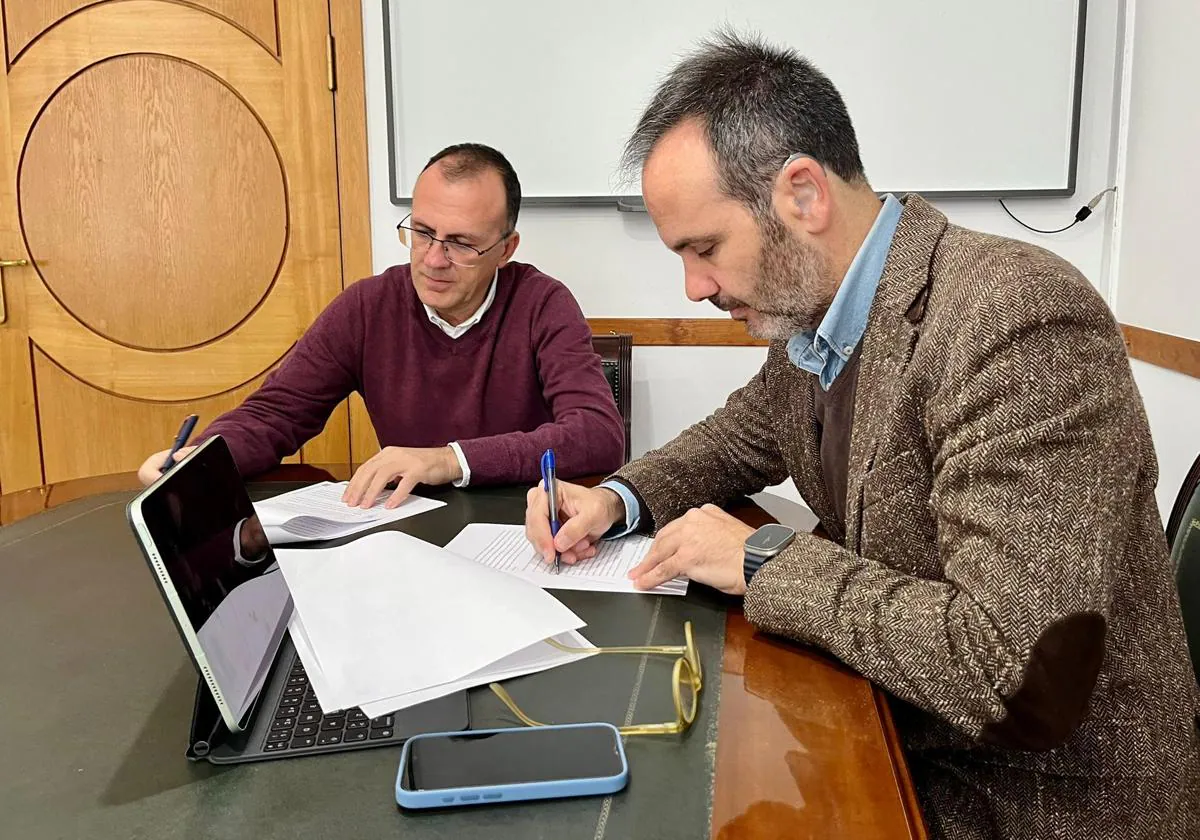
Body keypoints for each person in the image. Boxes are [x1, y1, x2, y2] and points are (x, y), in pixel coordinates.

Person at [525, 31, 1200, 839]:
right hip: (899, 729)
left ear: (802, 194)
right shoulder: (816, 317)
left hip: (1031, 800)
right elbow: (737, 438)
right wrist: (615, 496)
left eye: (704, 249)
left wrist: (762, 559)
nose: (694, 286)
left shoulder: (1014, 319)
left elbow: (1012, 668)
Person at [137, 143, 625, 506]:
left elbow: (598, 434)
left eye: (461, 243)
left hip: (517, 529)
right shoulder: (367, 307)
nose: (434, 260)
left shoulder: (543, 303)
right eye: (423, 233)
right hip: (406, 527)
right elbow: (276, 414)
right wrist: (200, 460)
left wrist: (447, 459)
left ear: (506, 250)